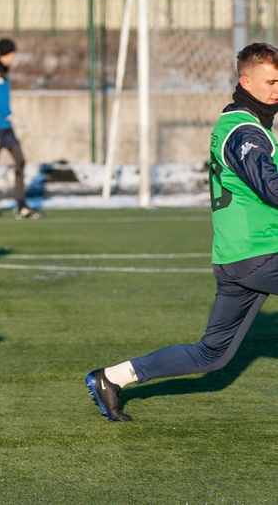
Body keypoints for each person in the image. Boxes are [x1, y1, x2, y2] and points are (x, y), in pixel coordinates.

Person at [85, 42, 278, 422]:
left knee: (211, 354)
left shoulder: (250, 127)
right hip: (257, 254)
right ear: (246, 82)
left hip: (237, 258)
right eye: (272, 82)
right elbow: (271, 186)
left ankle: (109, 378)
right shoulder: (244, 132)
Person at [0, 38, 41, 220]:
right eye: (13, 54)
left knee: (20, 161)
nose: (14, 57)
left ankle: (21, 206)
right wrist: (10, 114)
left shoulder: (1, 71)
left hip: (5, 127)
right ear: (6, 54)